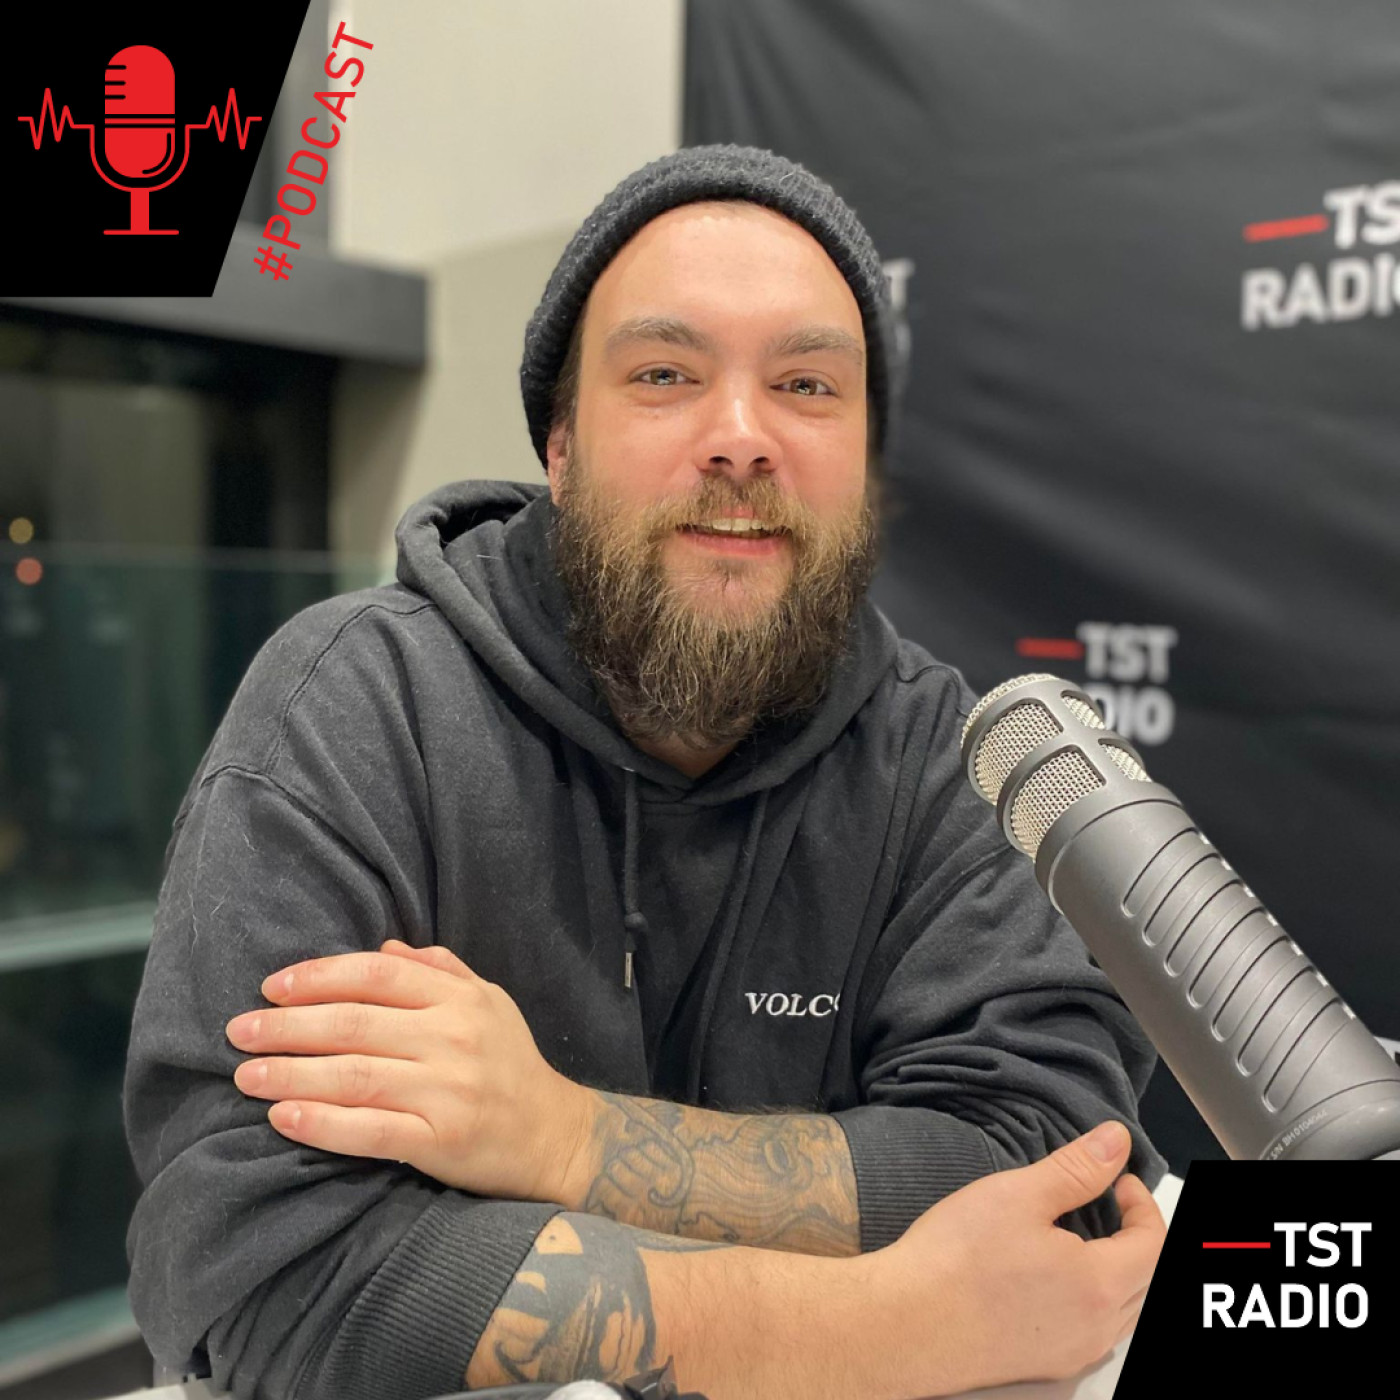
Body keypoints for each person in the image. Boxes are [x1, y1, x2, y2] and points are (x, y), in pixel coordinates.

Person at [124, 144, 1168, 1400]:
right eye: (665, 375)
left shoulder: (944, 757)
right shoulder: (355, 710)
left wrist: (563, 1137)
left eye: (805, 384)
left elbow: (1052, 1168)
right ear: (559, 445)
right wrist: (882, 1321)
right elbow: (258, 1271)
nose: (740, 439)